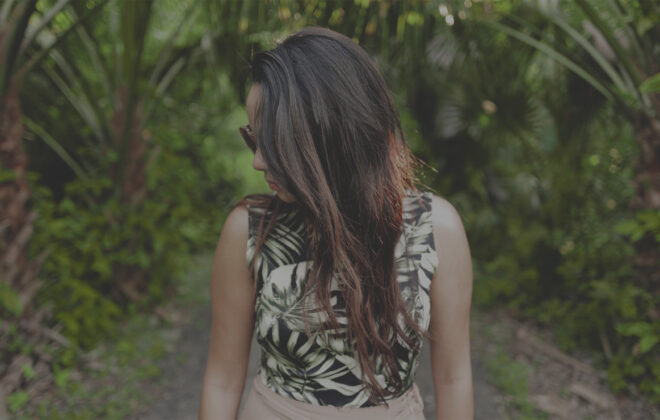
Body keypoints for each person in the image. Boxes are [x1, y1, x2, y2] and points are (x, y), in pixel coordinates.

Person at [198, 27, 473, 420]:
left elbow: (454, 379)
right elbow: (223, 382)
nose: (257, 160)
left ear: (330, 132)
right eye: (253, 139)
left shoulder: (436, 229)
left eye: (273, 141)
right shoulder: (248, 231)